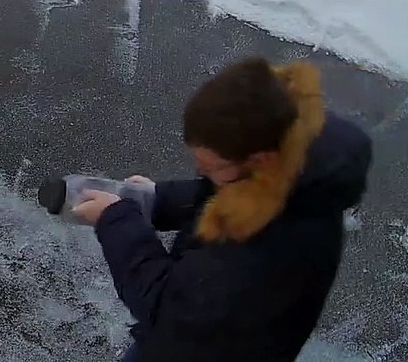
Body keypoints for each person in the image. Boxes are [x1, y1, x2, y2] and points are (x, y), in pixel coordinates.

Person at [73, 57, 372, 362]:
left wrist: (117, 222)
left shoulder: (263, 249)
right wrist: (157, 199)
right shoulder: (293, 170)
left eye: (210, 166)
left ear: (260, 160)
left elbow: (166, 307)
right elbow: (223, 191)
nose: (201, 173)